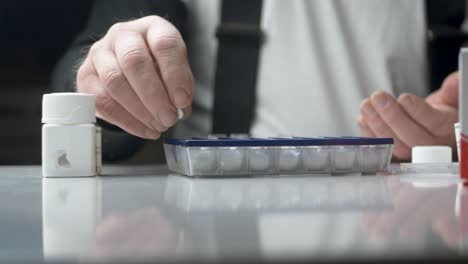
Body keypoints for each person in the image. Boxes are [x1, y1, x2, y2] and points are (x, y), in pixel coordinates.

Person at [52, 0, 462, 161]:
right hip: (220, 239)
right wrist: (102, 77)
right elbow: (84, 63)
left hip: (417, 233)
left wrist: (458, 137)